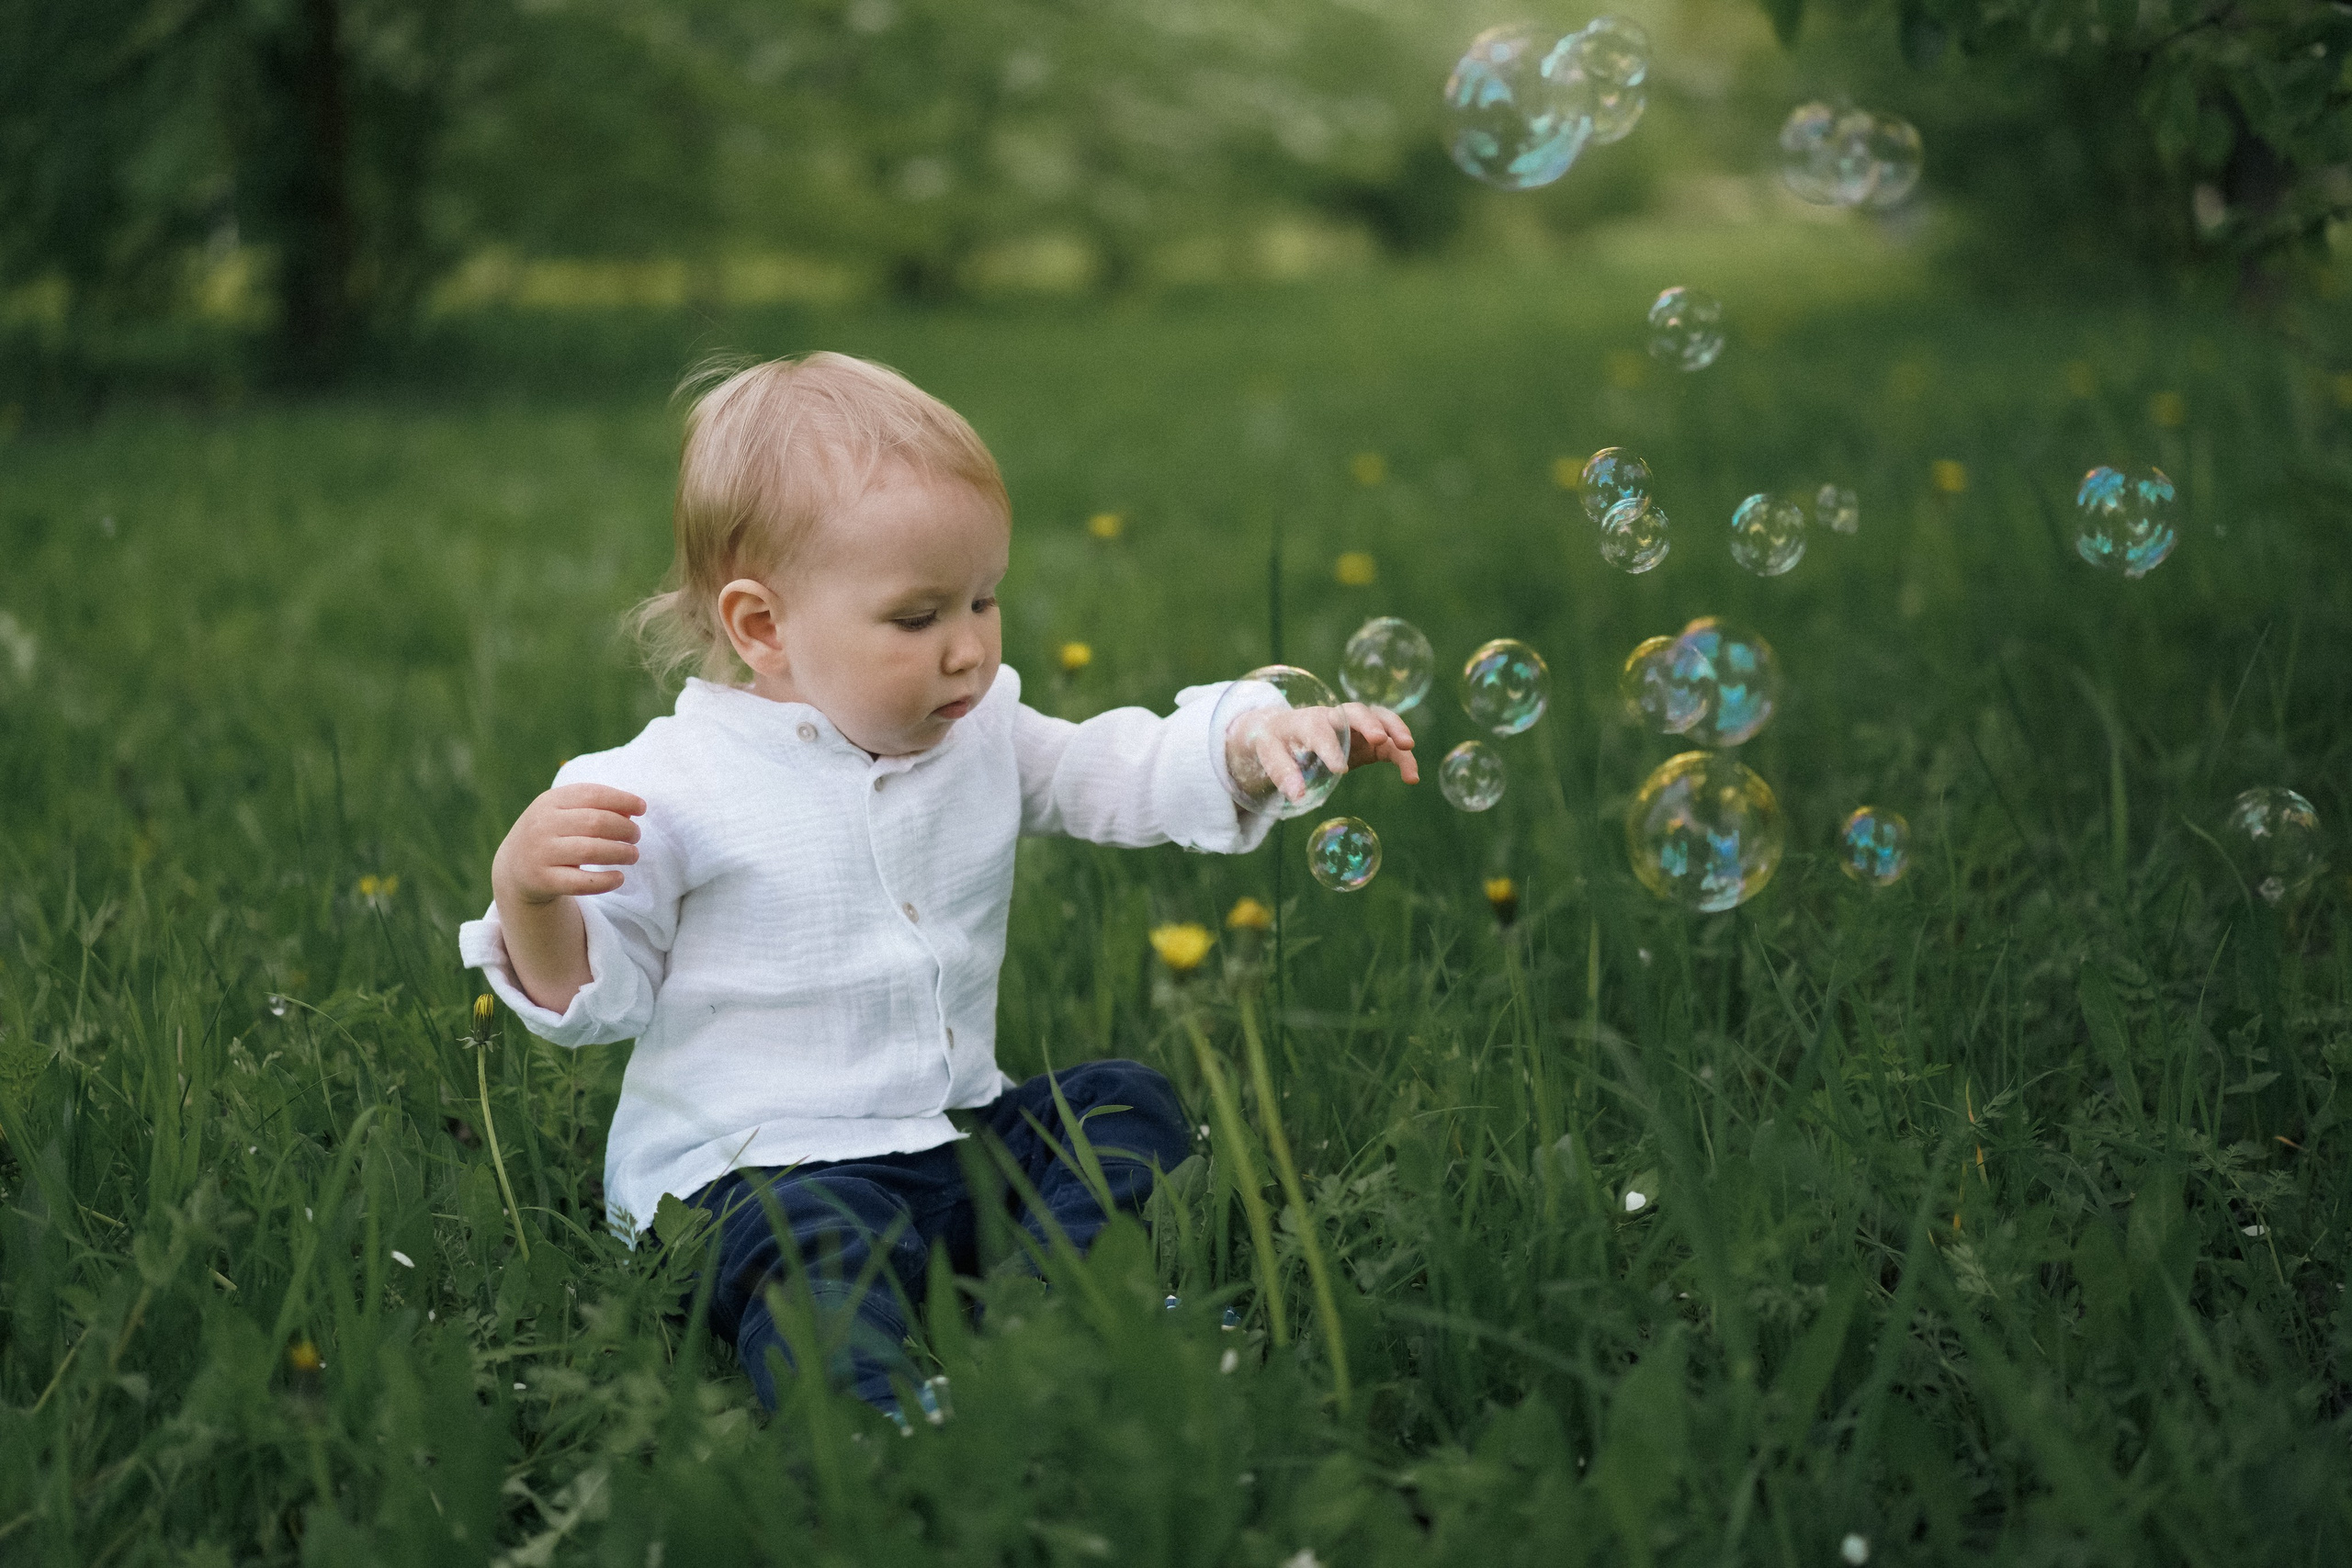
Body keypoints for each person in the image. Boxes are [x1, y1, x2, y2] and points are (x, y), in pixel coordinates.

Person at [458, 352, 1418, 1418]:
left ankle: (1071, 1308)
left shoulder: (982, 727)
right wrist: (532, 900)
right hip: (754, 1173)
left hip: (946, 1139)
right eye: (918, 619)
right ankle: (873, 1418)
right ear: (762, 626)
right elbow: (597, 1003)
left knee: (1118, 1102)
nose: (967, 651)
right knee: (811, 1248)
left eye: (984, 599)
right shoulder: (660, 789)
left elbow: (1113, 768)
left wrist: (1246, 745)